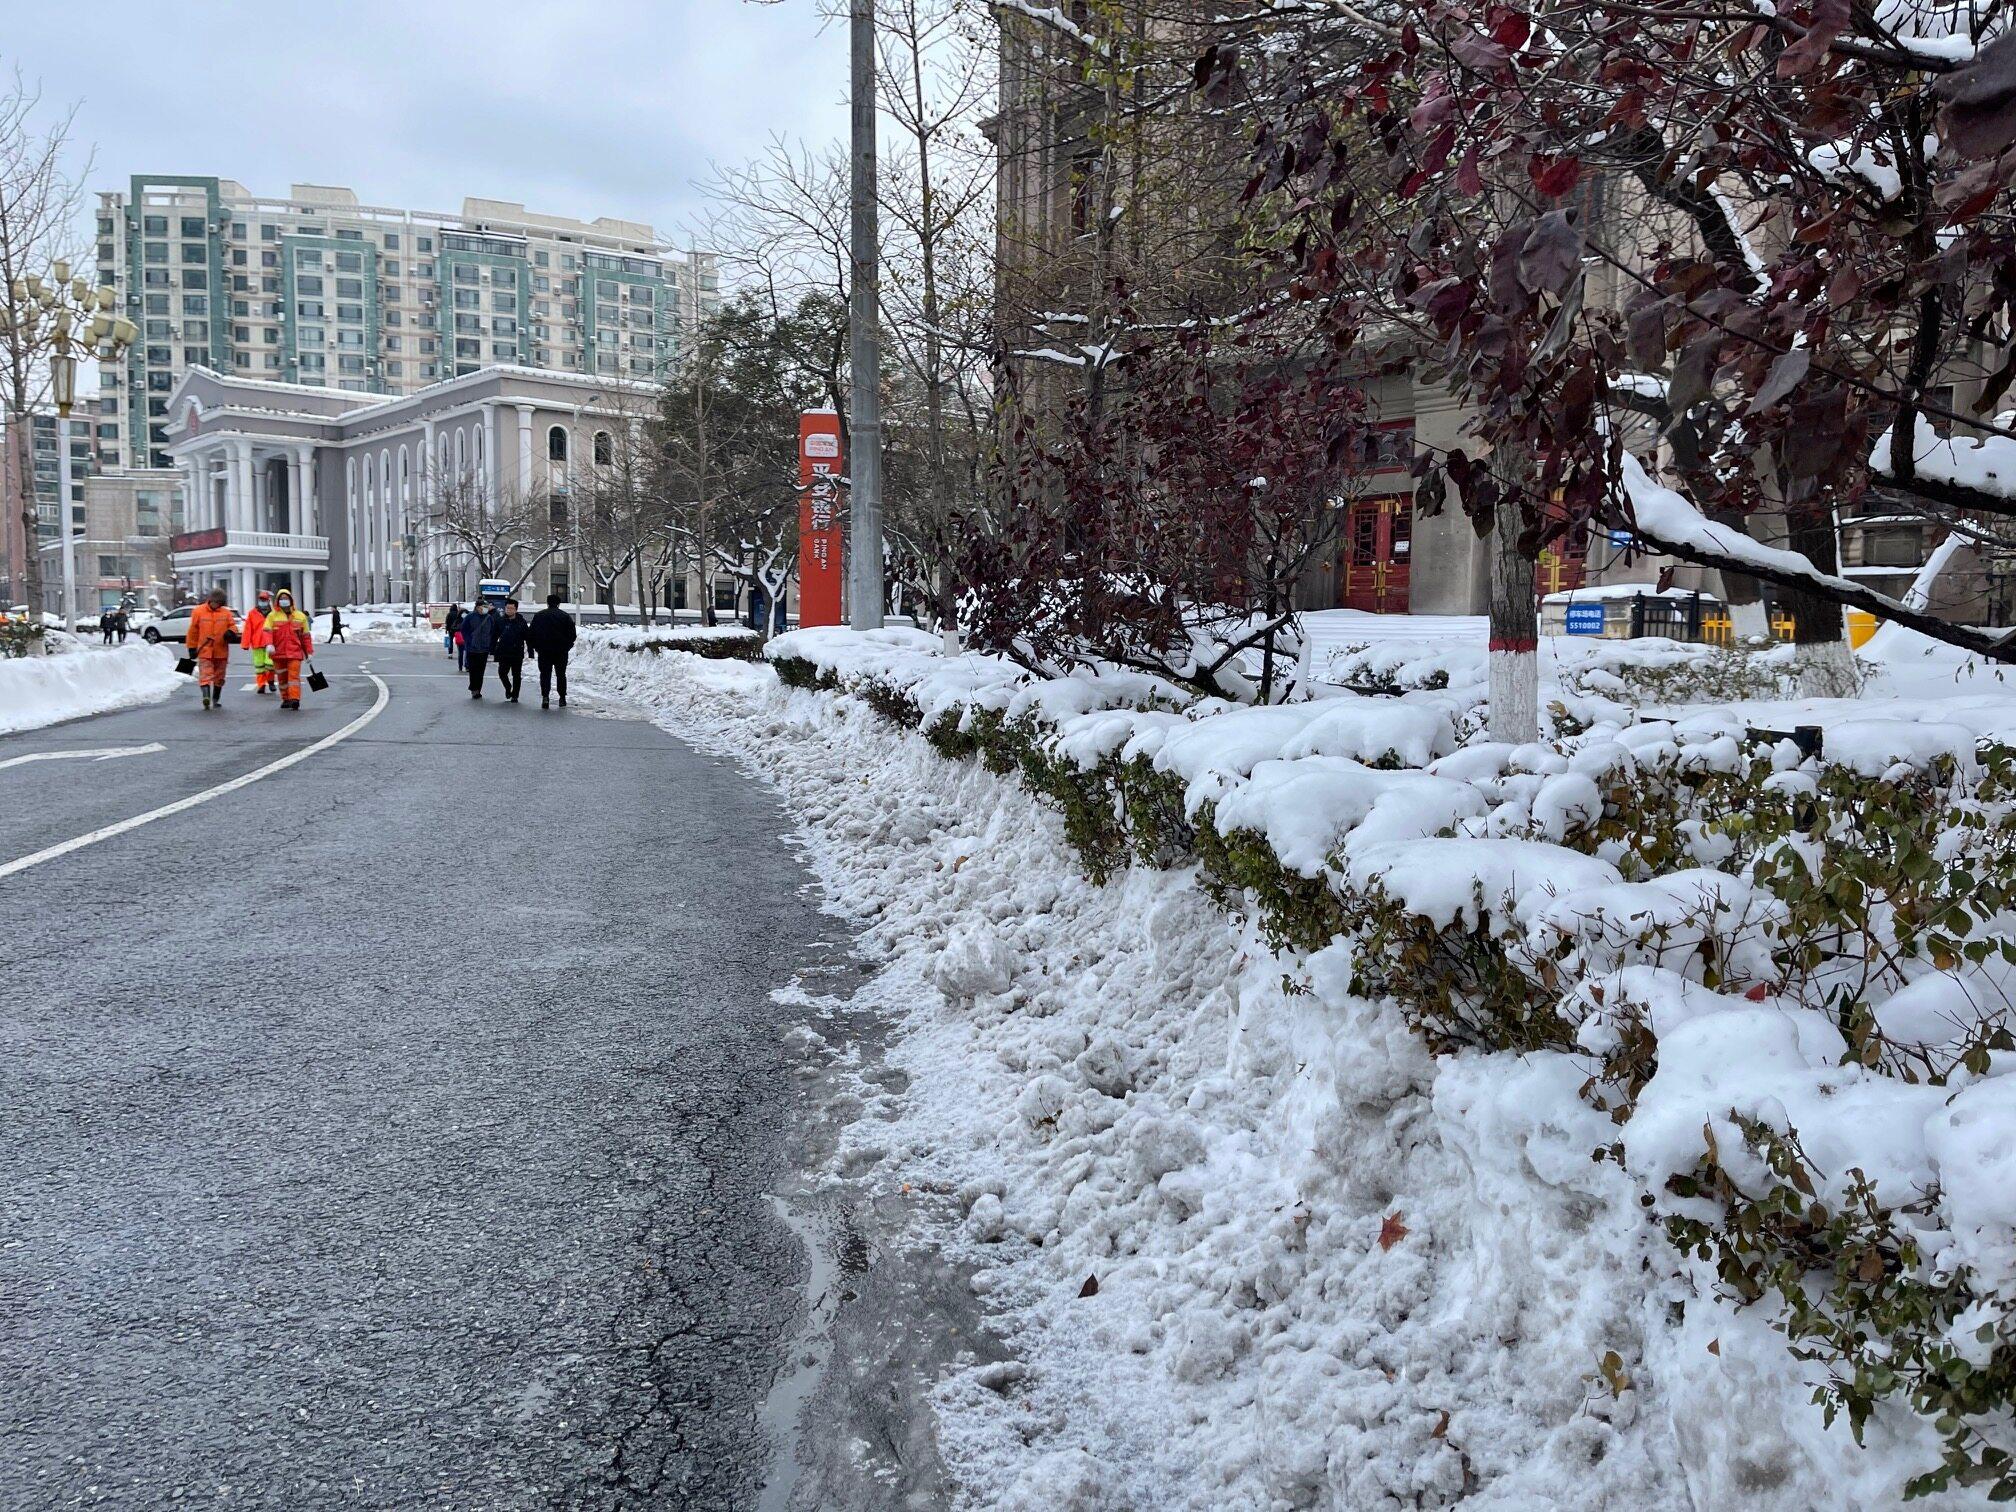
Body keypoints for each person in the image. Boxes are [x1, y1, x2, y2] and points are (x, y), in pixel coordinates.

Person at [185, 587, 237, 712]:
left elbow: (233, 626)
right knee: (205, 675)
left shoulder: (226, 613)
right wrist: (191, 647)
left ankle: (216, 699)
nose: (216, 604)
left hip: (221, 650)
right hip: (205, 650)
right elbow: (193, 631)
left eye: (219, 602)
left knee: (219, 676)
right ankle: (206, 697)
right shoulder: (198, 611)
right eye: (215, 601)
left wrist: (231, 632)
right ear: (210, 600)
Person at [263, 587, 314, 711]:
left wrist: (309, 652)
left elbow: (306, 636)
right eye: (282, 598)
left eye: (286, 598)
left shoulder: (300, 616)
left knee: (293, 677)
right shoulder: (272, 616)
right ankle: (285, 698)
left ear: (291, 600)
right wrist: (269, 644)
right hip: (278, 653)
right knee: (282, 678)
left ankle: (295, 699)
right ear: (278, 601)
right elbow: (267, 632)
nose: (284, 601)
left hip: (294, 653)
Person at [529, 591, 576, 709]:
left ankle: (545, 697)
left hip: (544, 651)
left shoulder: (539, 616)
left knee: (545, 674)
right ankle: (562, 698)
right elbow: (572, 635)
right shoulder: (565, 616)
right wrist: (567, 646)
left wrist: (536, 647)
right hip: (561, 652)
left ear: (547, 603)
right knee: (561, 674)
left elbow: (532, 634)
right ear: (559, 604)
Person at [493, 598, 531, 702]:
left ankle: (515, 695)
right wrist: (492, 649)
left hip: (517, 652)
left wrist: (531, 652)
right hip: (504, 651)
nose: (509, 610)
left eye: (511, 608)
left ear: (516, 610)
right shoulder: (500, 621)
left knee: (516, 675)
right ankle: (508, 687)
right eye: (507, 608)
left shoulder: (521, 622)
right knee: (502, 673)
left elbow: (527, 637)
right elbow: (494, 635)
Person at [461, 598, 496, 698]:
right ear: (477, 608)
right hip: (472, 648)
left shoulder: (489, 618)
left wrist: (489, 642)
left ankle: (478, 689)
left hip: (484, 648)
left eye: (486, 607)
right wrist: (469, 641)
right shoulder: (470, 617)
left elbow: (492, 631)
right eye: (483, 607)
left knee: (481, 671)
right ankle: (474, 689)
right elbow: (464, 630)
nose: (485, 609)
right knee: (473, 670)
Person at [245, 588, 275, 695]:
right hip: (257, 643)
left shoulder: (274, 613)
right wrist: (245, 643)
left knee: (270, 664)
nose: (262, 602)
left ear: (268, 601)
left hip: (271, 642)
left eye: (264, 600)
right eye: (261, 600)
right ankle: (261, 685)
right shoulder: (252, 613)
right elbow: (248, 629)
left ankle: (270, 681)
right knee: (259, 667)